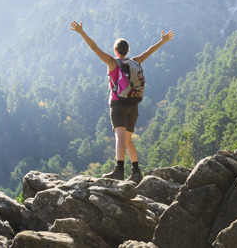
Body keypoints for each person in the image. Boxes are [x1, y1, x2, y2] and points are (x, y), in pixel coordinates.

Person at [70, 21, 174, 182]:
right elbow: (149, 52)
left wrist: (81, 32)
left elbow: (94, 47)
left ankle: (119, 170)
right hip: (133, 105)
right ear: (127, 51)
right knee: (127, 139)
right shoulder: (135, 61)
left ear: (115, 50)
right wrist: (163, 40)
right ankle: (136, 171)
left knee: (119, 137)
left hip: (118, 104)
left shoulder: (112, 63)